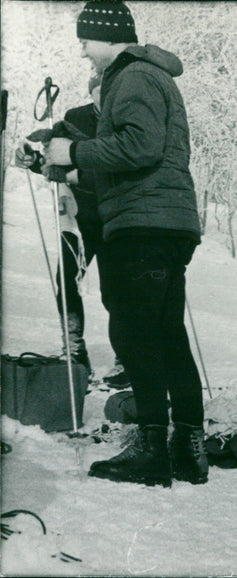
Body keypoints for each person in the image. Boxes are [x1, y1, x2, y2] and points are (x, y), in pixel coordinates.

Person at [43, 0, 207, 487]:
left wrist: (73, 148)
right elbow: (141, 154)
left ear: (110, 37)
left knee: (135, 334)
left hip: (141, 224)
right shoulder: (150, 75)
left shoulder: (131, 76)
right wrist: (71, 165)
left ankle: (152, 450)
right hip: (169, 222)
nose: (82, 52)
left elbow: (141, 144)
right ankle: (188, 448)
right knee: (167, 333)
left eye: (86, 40)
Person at [15, 75, 130, 388]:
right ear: (90, 92)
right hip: (80, 216)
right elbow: (60, 165)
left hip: (118, 216)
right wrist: (37, 160)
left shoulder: (128, 120)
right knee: (65, 278)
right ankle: (75, 352)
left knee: (116, 290)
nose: (103, 98)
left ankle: (128, 358)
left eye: (110, 91)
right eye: (97, 91)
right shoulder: (75, 119)